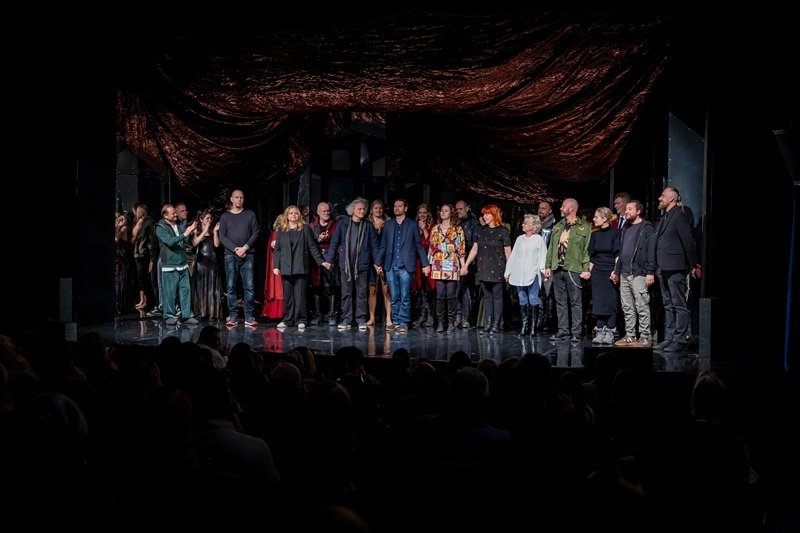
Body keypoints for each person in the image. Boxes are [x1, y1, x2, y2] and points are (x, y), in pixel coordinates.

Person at [322, 197, 382, 331]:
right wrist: (329, 260)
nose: (362, 211)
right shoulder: (343, 223)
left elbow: (374, 246)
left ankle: (360, 319)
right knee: (346, 293)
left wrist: (377, 263)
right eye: (359, 209)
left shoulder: (368, 225)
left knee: (361, 293)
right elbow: (334, 242)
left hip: (362, 264)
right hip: (346, 265)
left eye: (364, 209)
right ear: (352, 210)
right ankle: (346, 319)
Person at [653, 186, 701, 353]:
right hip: (663, 266)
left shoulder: (679, 216)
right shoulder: (666, 216)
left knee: (678, 304)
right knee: (667, 304)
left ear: (671, 198)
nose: (659, 198)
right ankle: (670, 337)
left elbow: (688, 241)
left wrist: (693, 264)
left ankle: (679, 339)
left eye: (662, 195)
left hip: (675, 266)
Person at [378, 199, 431, 333]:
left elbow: (418, 245)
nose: (397, 208)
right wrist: (377, 262)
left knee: (405, 295)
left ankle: (403, 322)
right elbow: (383, 245)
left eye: (400, 206)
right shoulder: (388, 224)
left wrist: (425, 263)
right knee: (394, 295)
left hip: (406, 265)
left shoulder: (412, 224)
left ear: (405, 208)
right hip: (390, 265)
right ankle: (395, 321)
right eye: (395, 206)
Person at [544, 198, 591, 343]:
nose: (560, 208)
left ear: (571, 208)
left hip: (573, 268)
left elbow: (586, 250)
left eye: (563, 206)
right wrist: (547, 265)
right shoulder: (559, 225)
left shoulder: (584, 227)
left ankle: (576, 331)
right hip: (557, 268)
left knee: (576, 301)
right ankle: (563, 329)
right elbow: (551, 247)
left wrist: (586, 268)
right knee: (560, 301)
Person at [272, 205, 326, 329]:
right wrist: (276, 266)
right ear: (287, 215)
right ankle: (287, 320)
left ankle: (301, 319)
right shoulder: (282, 230)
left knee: (300, 296)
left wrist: (320, 261)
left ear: (299, 215)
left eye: (296, 213)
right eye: (291, 213)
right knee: (288, 296)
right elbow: (277, 249)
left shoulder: (305, 229)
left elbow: (312, 247)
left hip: (300, 266)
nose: (293, 215)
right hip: (286, 267)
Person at [460, 204, 511, 335]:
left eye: (487, 214)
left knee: (497, 296)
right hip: (483, 267)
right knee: (487, 296)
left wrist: (509, 270)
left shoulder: (503, 231)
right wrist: (465, 265)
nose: (484, 217)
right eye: (484, 214)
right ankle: (488, 324)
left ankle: (496, 324)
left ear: (494, 215)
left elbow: (507, 252)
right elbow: (474, 249)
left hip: (498, 268)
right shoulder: (481, 230)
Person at [612, 199, 656, 347]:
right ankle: (630, 335)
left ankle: (644, 337)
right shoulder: (626, 228)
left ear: (638, 211)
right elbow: (622, 251)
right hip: (624, 272)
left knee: (641, 305)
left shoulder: (646, 228)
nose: (627, 211)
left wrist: (650, 271)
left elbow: (651, 251)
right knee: (627, 307)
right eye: (626, 209)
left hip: (639, 272)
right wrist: (616, 271)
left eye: (630, 209)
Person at [219, 189, 261, 328]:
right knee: (231, 286)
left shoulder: (250, 214)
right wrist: (236, 249)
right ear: (231, 199)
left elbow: (255, 233)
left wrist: (245, 248)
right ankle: (233, 315)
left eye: (241, 197)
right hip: (231, 255)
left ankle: (249, 316)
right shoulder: (225, 216)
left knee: (249, 286)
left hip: (248, 254)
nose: (239, 200)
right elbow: (222, 236)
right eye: (236, 197)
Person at [154, 203, 200, 326]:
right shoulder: (160, 227)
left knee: (185, 291)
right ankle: (169, 315)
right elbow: (169, 241)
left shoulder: (178, 226)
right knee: (170, 292)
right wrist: (185, 234)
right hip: (170, 265)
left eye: (175, 212)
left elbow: (186, 241)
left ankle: (187, 315)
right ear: (165, 215)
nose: (175, 214)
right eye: (173, 213)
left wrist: (191, 232)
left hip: (182, 264)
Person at [504, 213, 547, 336]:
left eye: (525, 223)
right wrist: (508, 272)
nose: (523, 225)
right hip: (519, 274)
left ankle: (533, 327)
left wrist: (544, 271)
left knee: (533, 299)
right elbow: (513, 256)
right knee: (522, 299)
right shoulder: (519, 239)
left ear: (533, 226)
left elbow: (543, 256)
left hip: (532, 273)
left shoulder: (538, 239)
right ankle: (524, 326)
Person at [427, 203, 466, 333]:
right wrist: (428, 265)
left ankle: (450, 322)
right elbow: (431, 249)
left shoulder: (457, 229)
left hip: (452, 263)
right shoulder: (435, 229)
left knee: (450, 294)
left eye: (446, 210)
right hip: (438, 264)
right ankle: (440, 322)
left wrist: (463, 266)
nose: (443, 212)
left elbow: (461, 249)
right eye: (442, 211)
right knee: (440, 294)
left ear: (451, 213)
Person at [588, 207, 620, 345]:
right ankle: (600, 329)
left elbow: (617, 254)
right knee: (598, 301)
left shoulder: (615, 233)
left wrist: (616, 271)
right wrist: (588, 271)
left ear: (605, 218)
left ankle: (610, 330)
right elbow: (592, 256)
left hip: (610, 271)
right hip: (597, 271)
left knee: (610, 301)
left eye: (596, 217)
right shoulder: (595, 235)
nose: (594, 219)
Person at [308, 201, 341, 327]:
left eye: (328, 211)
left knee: (331, 287)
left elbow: (339, 240)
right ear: (318, 212)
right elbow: (309, 242)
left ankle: (332, 314)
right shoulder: (312, 225)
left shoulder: (336, 224)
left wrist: (329, 238)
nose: (326, 213)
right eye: (324, 211)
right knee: (316, 287)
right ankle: (317, 314)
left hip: (331, 258)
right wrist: (318, 238)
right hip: (316, 258)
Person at [191, 209, 223, 322]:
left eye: (211, 218)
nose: (209, 220)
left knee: (212, 288)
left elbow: (216, 245)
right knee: (201, 288)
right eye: (207, 218)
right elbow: (195, 243)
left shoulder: (212, 231)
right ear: (201, 220)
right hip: (201, 263)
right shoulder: (197, 231)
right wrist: (204, 231)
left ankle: (212, 313)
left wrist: (215, 232)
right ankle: (202, 312)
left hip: (212, 262)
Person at [367, 199, 392, 328]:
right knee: (372, 289)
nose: (378, 210)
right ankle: (371, 318)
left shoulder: (388, 223)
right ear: (372, 209)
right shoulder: (368, 223)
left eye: (380, 208)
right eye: (376, 208)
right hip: (372, 260)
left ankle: (388, 318)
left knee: (386, 289)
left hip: (385, 260)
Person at [455, 200, 479, 329]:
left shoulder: (474, 224)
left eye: (461, 209)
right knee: (456, 288)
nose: (458, 211)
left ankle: (465, 316)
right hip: (454, 261)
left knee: (466, 289)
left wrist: (466, 263)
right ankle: (457, 315)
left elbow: (474, 244)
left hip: (468, 261)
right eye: (457, 209)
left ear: (467, 208)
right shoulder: (454, 223)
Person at [411, 203, 436, 328]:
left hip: (429, 260)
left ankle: (430, 315)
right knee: (419, 289)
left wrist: (424, 229)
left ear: (428, 213)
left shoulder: (433, 226)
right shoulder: (413, 225)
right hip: (417, 261)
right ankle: (422, 314)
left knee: (429, 288)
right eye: (420, 212)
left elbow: (429, 243)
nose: (422, 215)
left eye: (424, 212)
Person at [537, 201, 558, 332]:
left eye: (544, 208)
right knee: (539, 292)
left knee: (549, 292)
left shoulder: (555, 226)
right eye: (539, 208)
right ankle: (539, 318)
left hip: (550, 262)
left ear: (550, 211)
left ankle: (549, 319)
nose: (540, 210)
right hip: (537, 263)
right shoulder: (535, 226)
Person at [261, 214, 285, 321]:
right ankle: (277, 312)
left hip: (282, 264)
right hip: (278, 265)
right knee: (278, 287)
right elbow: (274, 246)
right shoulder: (277, 233)